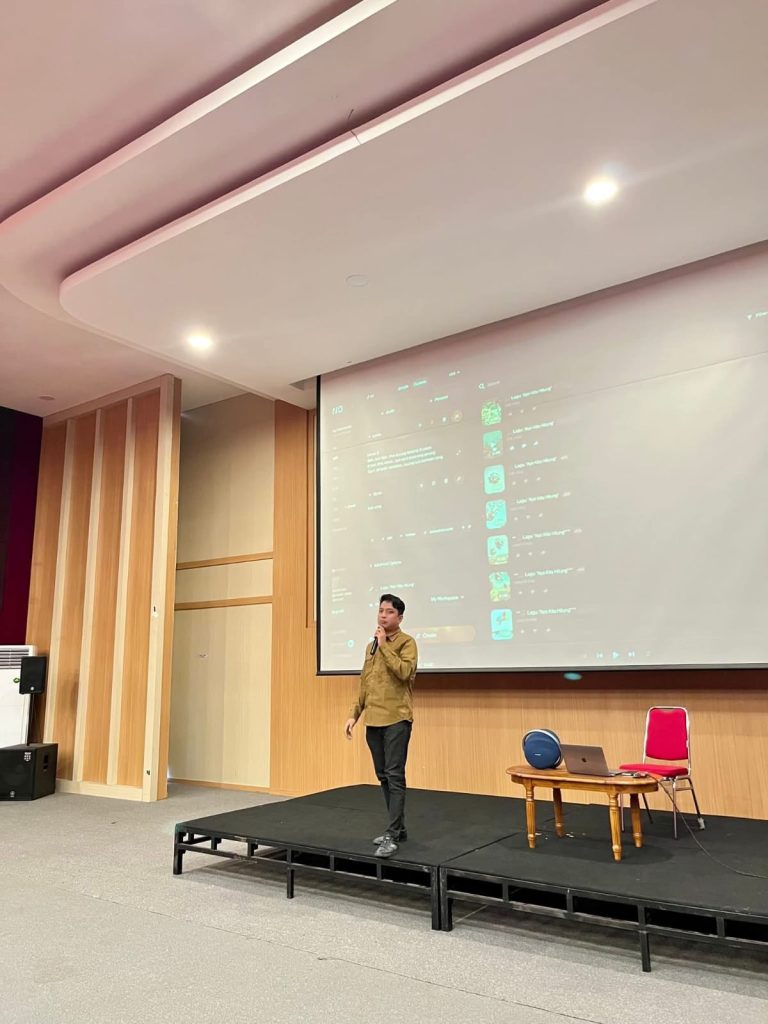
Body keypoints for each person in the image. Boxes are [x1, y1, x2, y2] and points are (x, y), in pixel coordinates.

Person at [344, 593, 418, 858]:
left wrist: (385, 645)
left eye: (389, 612)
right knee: (383, 776)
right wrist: (354, 715)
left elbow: (404, 672)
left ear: (400, 617)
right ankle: (399, 828)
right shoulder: (371, 646)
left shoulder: (407, 643)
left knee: (395, 775)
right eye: (380, 611)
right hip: (373, 720)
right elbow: (366, 683)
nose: (383, 615)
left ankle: (392, 834)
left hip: (396, 718)